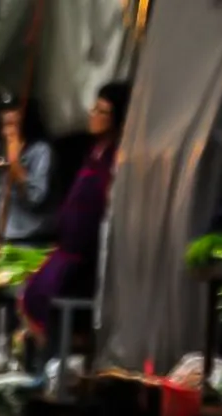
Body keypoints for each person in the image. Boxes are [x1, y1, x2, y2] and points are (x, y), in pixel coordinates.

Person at [19, 81, 132, 341]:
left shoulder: (116, 159)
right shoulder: (92, 152)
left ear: (116, 119)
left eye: (102, 111)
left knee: (50, 294)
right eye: (95, 108)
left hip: (86, 259)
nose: (93, 115)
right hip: (66, 251)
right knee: (32, 293)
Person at [0, 98, 55, 245]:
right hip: (5, 235)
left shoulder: (41, 151)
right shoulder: (3, 151)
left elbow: (35, 197)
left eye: (12, 124)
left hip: (30, 238)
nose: (6, 131)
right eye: (4, 124)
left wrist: (15, 163)